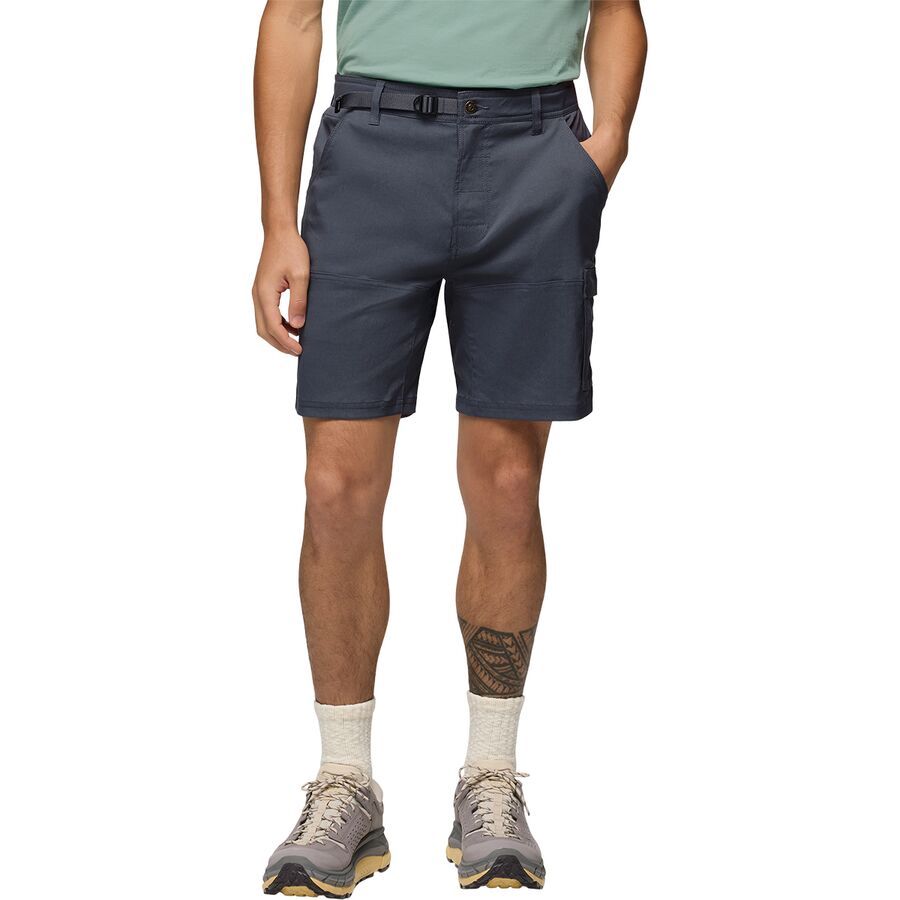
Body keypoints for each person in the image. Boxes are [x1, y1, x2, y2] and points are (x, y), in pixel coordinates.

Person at [252, 0, 646, 893]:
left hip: (534, 150)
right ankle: (345, 781)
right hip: (372, 150)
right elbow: (294, 16)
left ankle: (491, 777)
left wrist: (607, 145)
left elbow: (618, 9)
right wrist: (278, 221)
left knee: (507, 482)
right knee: (336, 487)